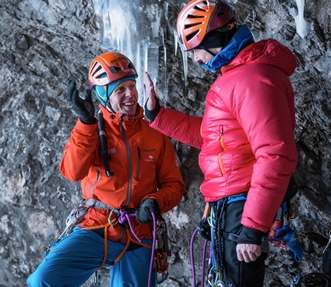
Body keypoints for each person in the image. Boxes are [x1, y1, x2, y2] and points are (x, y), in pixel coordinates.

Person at [143, 0, 298, 286]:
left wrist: (251, 228)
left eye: (195, 51)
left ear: (211, 39)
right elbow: (214, 138)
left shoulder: (250, 79)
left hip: (241, 206)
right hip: (234, 205)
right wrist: (157, 116)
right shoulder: (241, 76)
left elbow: (275, 154)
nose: (195, 60)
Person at [27, 51, 185, 287]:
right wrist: (86, 123)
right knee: (43, 280)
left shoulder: (155, 134)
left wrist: (155, 201)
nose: (130, 94)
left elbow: (175, 184)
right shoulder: (91, 130)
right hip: (97, 225)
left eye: (131, 86)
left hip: (139, 231)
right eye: (120, 90)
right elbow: (72, 172)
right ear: (104, 95)